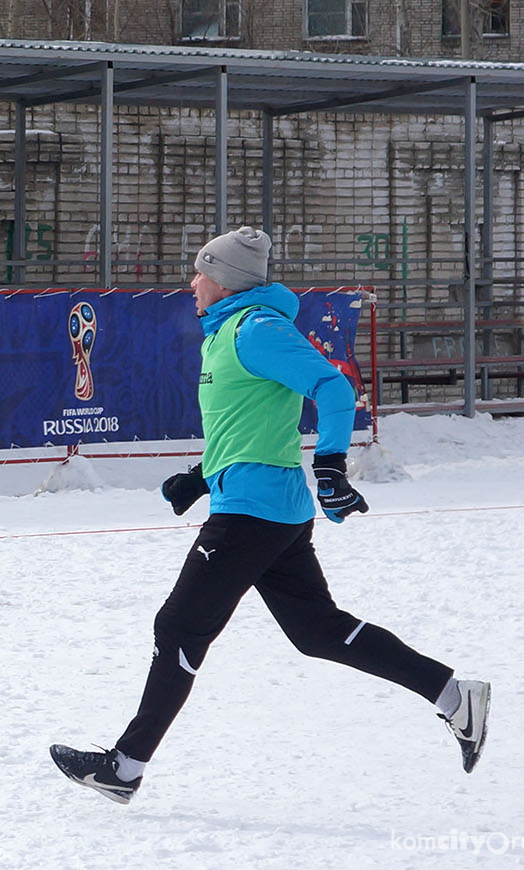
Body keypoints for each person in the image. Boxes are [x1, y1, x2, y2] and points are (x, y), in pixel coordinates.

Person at [51, 227, 490, 803]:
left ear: (225, 279)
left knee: (179, 628)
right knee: (317, 631)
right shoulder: (226, 333)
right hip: (265, 508)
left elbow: (333, 388)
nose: (192, 282)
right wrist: (202, 475)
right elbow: (248, 426)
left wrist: (331, 466)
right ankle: (455, 696)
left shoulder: (258, 330)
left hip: (252, 515)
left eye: (201, 271)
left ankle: (124, 767)